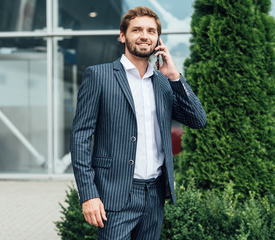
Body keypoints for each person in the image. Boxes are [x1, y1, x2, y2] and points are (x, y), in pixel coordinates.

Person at [70, 6, 206, 240]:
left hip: (154, 195)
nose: (145, 35)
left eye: (151, 31)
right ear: (122, 35)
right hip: (115, 194)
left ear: (158, 39)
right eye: (137, 30)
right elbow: (80, 137)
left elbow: (198, 119)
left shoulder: (164, 83)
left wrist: (174, 77)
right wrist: (89, 194)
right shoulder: (99, 76)